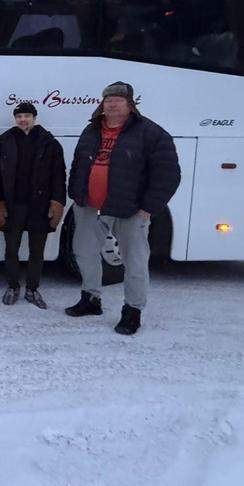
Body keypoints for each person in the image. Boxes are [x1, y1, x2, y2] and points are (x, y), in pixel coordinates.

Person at [66, 81, 181, 335]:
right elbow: (78, 163)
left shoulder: (151, 133)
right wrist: (76, 193)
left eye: (118, 100)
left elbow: (168, 176)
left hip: (129, 209)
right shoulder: (91, 130)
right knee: (84, 253)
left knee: (134, 262)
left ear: (130, 104)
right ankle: (91, 298)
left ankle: (132, 311)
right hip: (89, 205)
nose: (112, 105)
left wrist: (148, 209)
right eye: (108, 101)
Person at [0, 101, 66, 309]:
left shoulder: (50, 144)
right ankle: (13, 286)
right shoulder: (5, 142)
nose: (23, 120)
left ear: (34, 118)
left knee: (37, 251)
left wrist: (57, 202)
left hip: (40, 206)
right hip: (13, 205)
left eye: (27, 116)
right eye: (19, 117)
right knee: (11, 249)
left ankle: (32, 289)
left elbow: (59, 176)